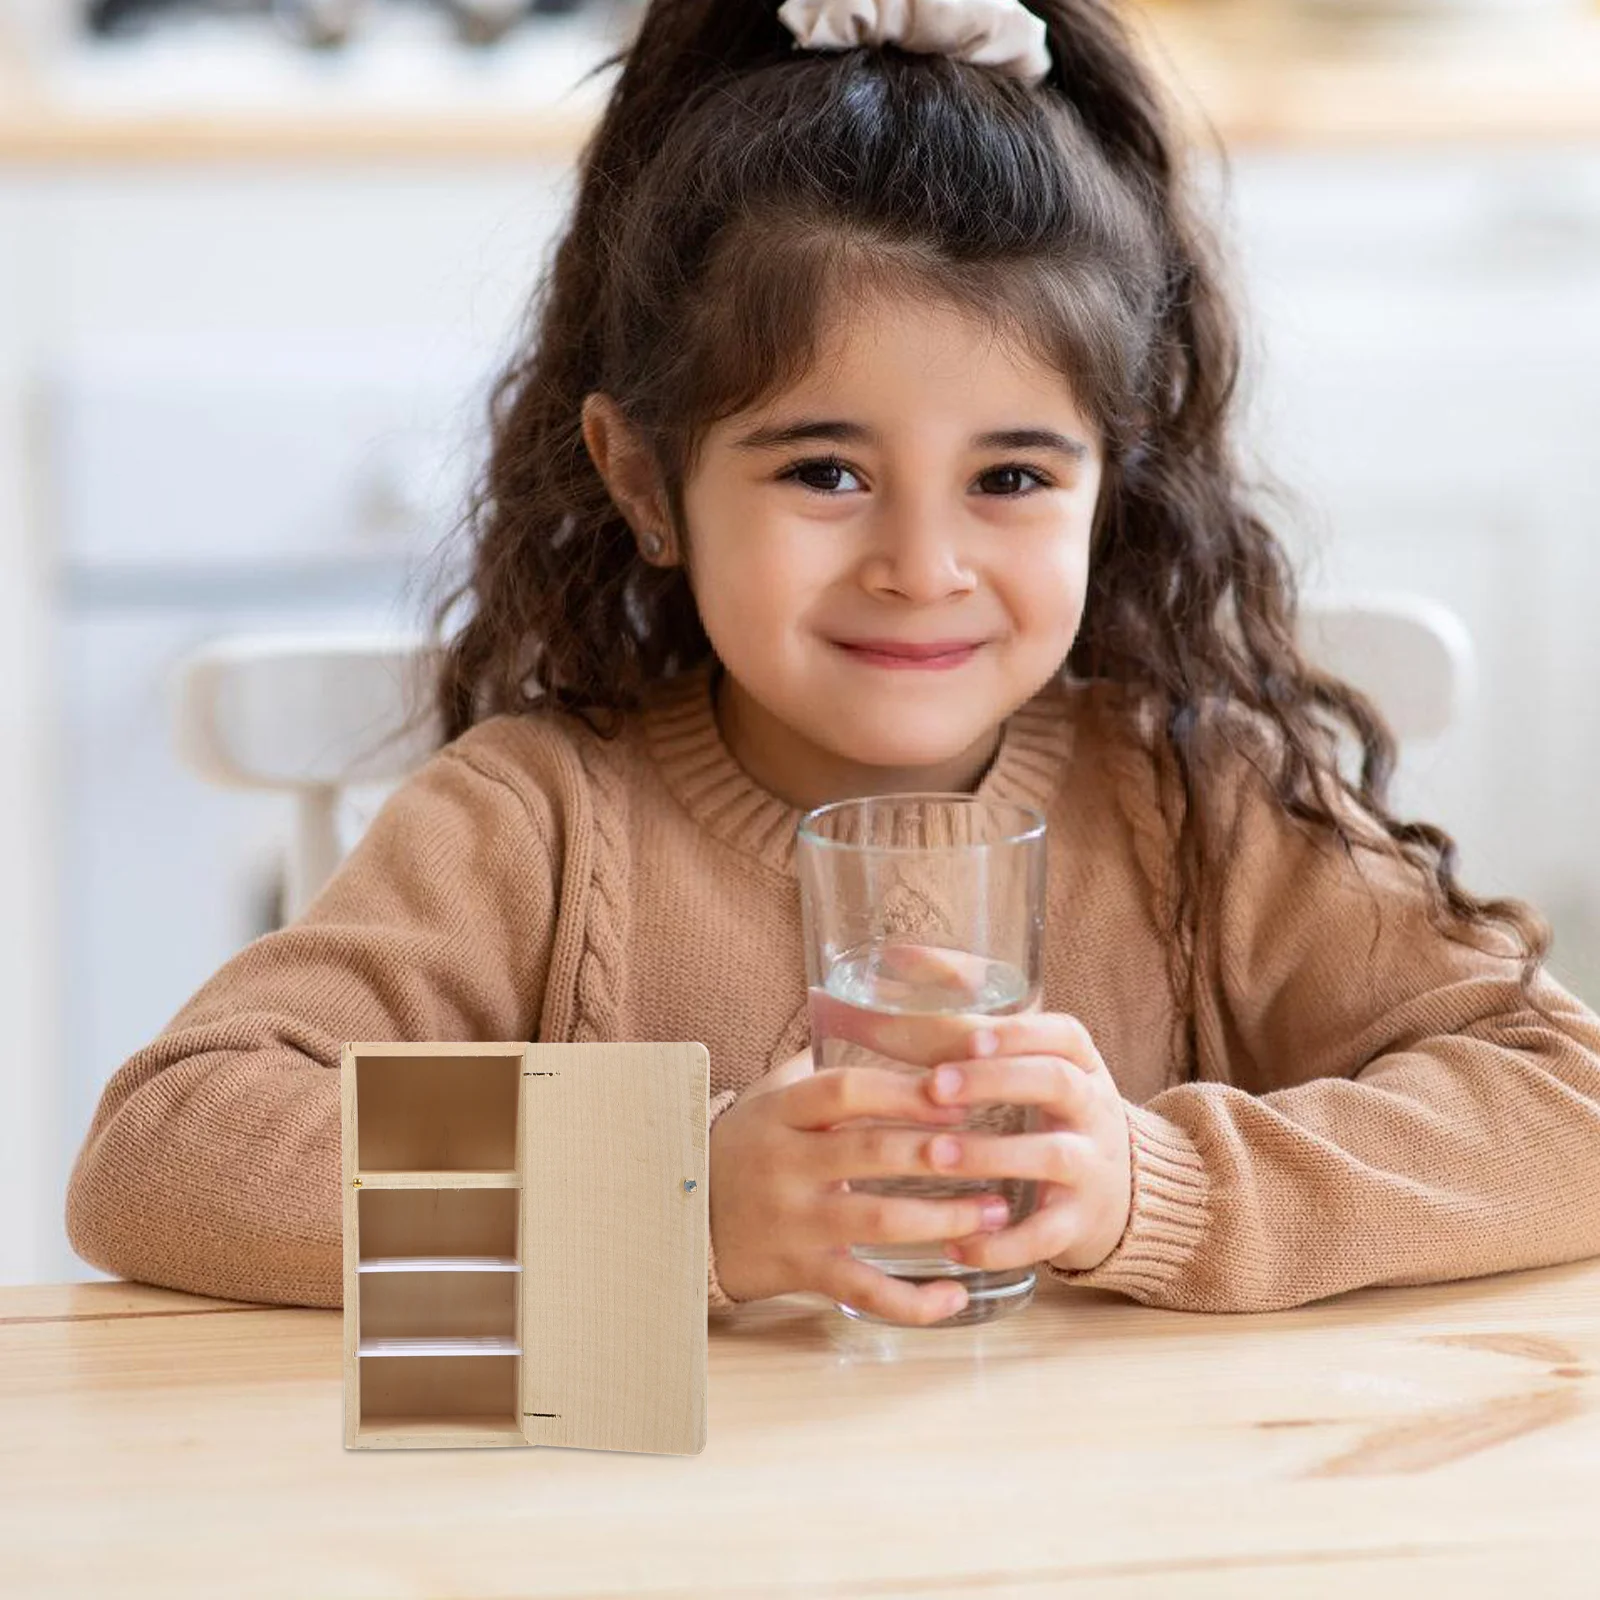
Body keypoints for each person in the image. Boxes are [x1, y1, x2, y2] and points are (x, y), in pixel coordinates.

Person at [65, 0, 1600, 1324]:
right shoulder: (531, 822)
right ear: (647, 482)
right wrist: (673, 1205)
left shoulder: (1202, 803)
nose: (920, 565)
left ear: (1110, 486)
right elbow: (166, 1155)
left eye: (1010, 478)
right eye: (824, 472)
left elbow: (1569, 1107)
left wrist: (1157, 1183)